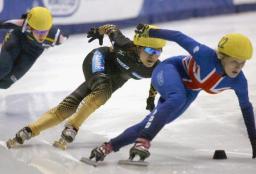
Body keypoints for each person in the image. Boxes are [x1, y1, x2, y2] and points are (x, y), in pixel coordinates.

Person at [88, 24, 256, 162]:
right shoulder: (205, 55)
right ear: (221, 56)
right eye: (234, 61)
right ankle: (143, 142)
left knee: (152, 122)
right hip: (169, 70)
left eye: (242, 63)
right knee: (177, 98)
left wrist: (254, 142)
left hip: (190, 90)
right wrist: (150, 31)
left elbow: (247, 109)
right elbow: (178, 36)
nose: (238, 67)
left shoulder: (239, 82)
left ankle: (107, 147)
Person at [6, 24, 166, 150]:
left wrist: (151, 97)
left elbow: (156, 80)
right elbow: (111, 28)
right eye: (150, 50)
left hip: (113, 80)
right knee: (102, 91)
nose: (154, 56)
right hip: (98, 60)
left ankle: (30, 130)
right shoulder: (124, 45)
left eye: (158, 51)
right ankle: (73, 127)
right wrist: (98, 31)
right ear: (138, 46)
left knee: (68, 107)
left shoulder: (154, 67)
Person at [0, 6, 67, 89]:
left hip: (32, 53)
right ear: (30, 27)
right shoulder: (24, 24)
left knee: (6, 83)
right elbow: (3, 24)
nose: (41, 35)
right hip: (16, 41)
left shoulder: (57, 38)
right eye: (38, 31)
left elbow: (66, 36)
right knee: (4, 68)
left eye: (45, 31)